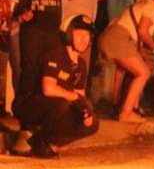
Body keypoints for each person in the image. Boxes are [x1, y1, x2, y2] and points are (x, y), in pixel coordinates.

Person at [13, 14, 99, 158]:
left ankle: (47, 143)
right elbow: (49, 89)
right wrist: (75, 97)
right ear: (68, 34)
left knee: (92, 123)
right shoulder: (55, 55)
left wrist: (86, 112)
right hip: (29, 103)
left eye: (87, 35)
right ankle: (32, 138)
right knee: (62, 105)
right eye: (78, 34)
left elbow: (79, 96)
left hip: (55, 106)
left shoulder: (81, 64)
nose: (84, 39)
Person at [15, 0, 76, 118]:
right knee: (30, 70)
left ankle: (44, 113)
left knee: (49, 70)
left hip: (52, 29)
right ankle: (24, 113)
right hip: (32, 28)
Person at [97, 0, 154, 122]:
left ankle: (120, 107)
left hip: (109, 36)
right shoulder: (151, 7)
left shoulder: (142, 4)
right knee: (144, 73)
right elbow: (143, 31)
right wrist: (153, 45)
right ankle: (126, 113)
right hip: (120, 37)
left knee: (127, 72)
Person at [1, 0, 32, 112]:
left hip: (13, 33)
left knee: (18, 68)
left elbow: (18, 16)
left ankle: (20, 107)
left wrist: (24, 17)